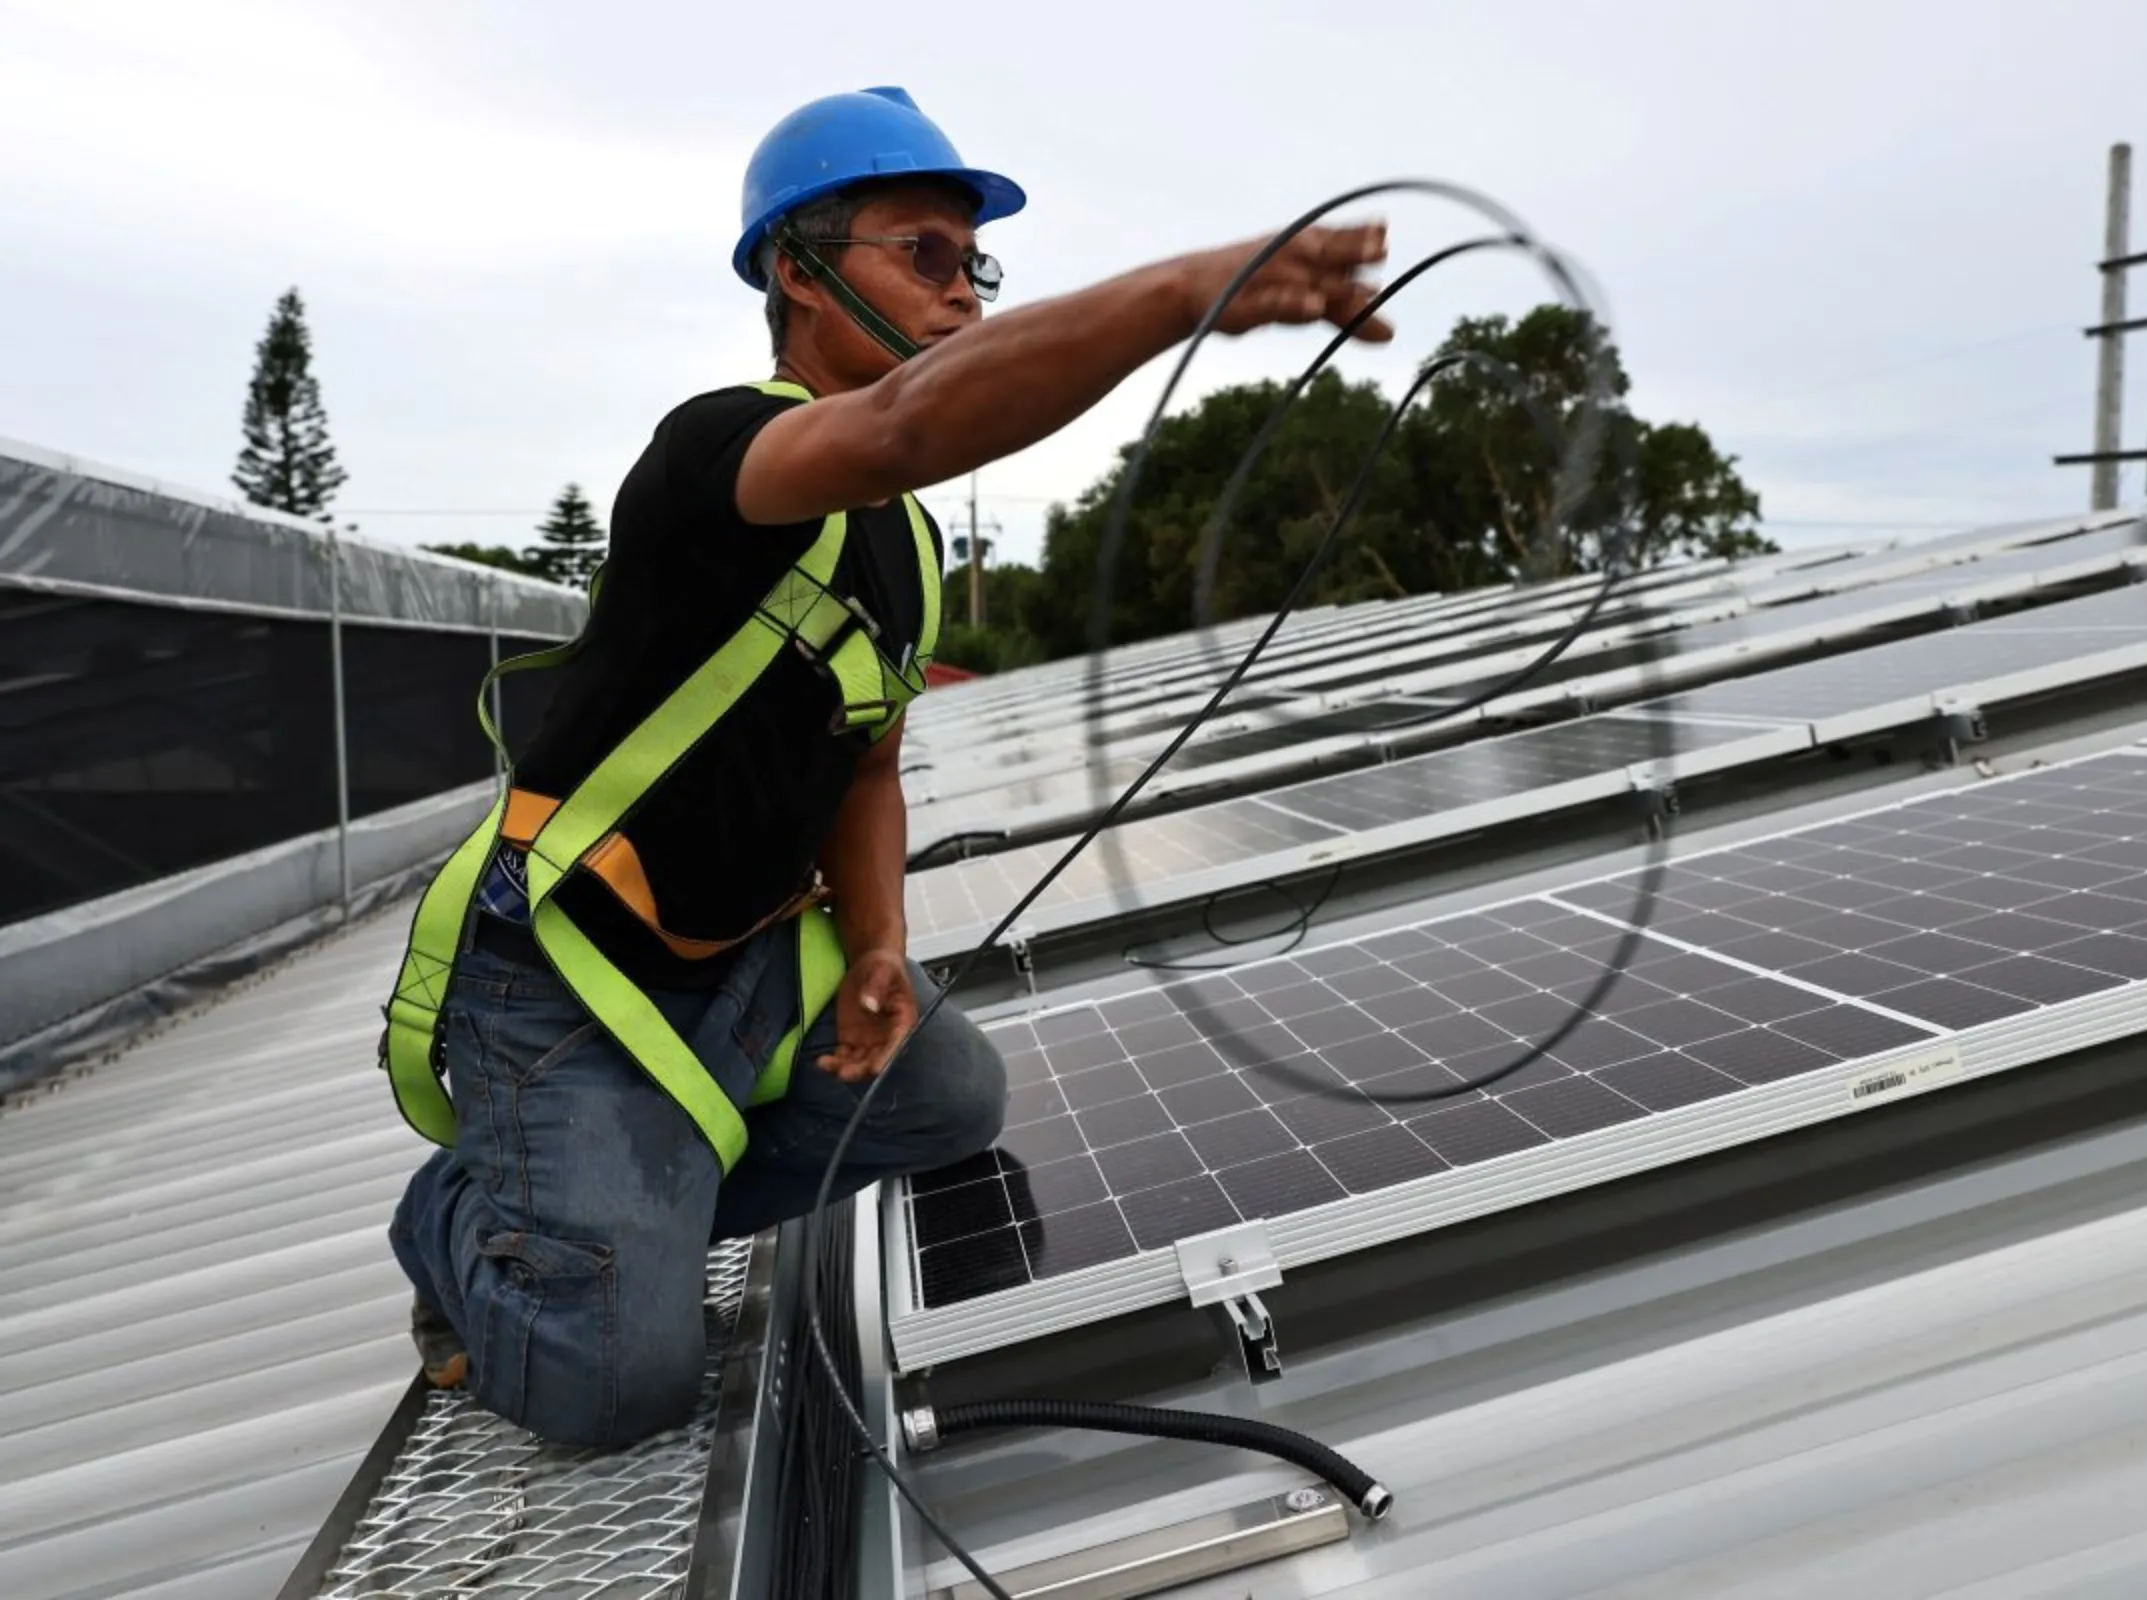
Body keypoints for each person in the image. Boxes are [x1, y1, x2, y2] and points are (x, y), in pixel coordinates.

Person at [378, 84, 1392, 1450]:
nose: (963, 288)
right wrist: (1187, 294)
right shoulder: (716, 457)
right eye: (925, 254)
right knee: (622, 1390)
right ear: (797, 270)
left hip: (738, 972)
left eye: (976, 262)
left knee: (949, 1095)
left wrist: (878, 948)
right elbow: (911, 424)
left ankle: (620, 1203)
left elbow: (868, 769)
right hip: (572, 988)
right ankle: (468, 1212)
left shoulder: (902, 548)